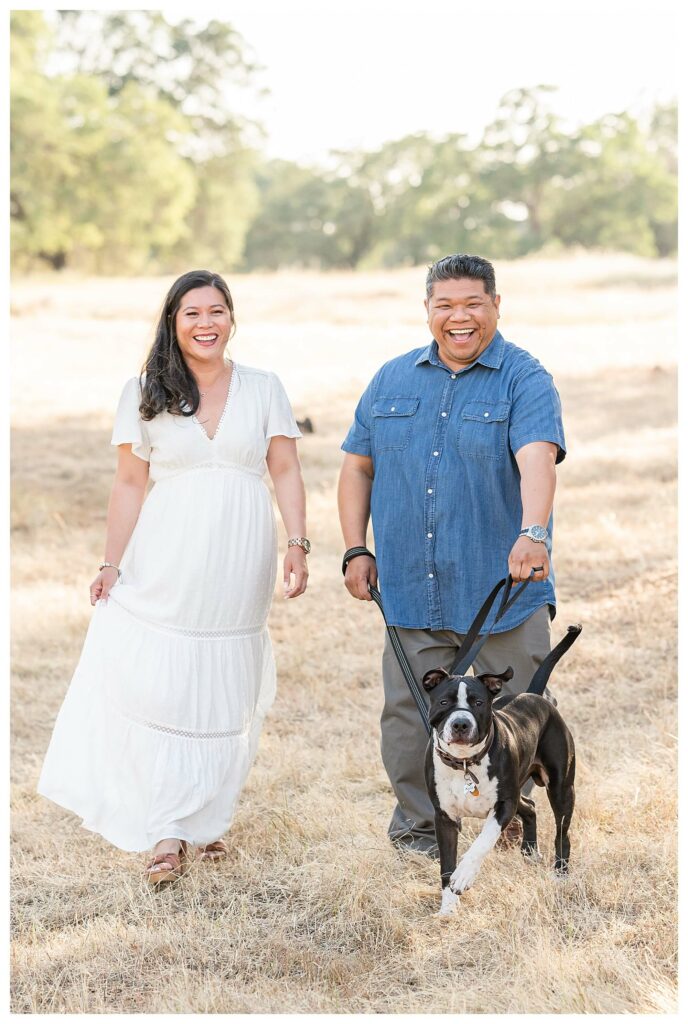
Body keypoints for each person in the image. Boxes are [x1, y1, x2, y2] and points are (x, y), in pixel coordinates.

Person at [38, 270, 310, 884]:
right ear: (173, 321)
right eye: (192, 313)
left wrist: (297, 543)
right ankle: (166, 827)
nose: (206, 323)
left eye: (217, 311)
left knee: (225, 684)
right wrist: (111, 562)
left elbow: (286, 470)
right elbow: (130, 483)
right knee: (167, 681)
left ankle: (205, 818)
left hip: (242, 552)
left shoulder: (265, 387)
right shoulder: (143, 391)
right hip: (168, 551)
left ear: (232, 319)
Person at [338, 253, 566, 857]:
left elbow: (537, 459)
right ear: (428, 310)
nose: (458, 318)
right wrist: (356, 548)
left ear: (495, 305)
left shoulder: (525, 377)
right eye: (446, 305)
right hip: (411, 587)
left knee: (516, 717)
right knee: (410, 719)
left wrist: (534, 532)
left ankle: (508, 817)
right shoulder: (391, 379)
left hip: (503, 592)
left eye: (472, 304)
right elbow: (358, 467)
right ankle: (418, 831)